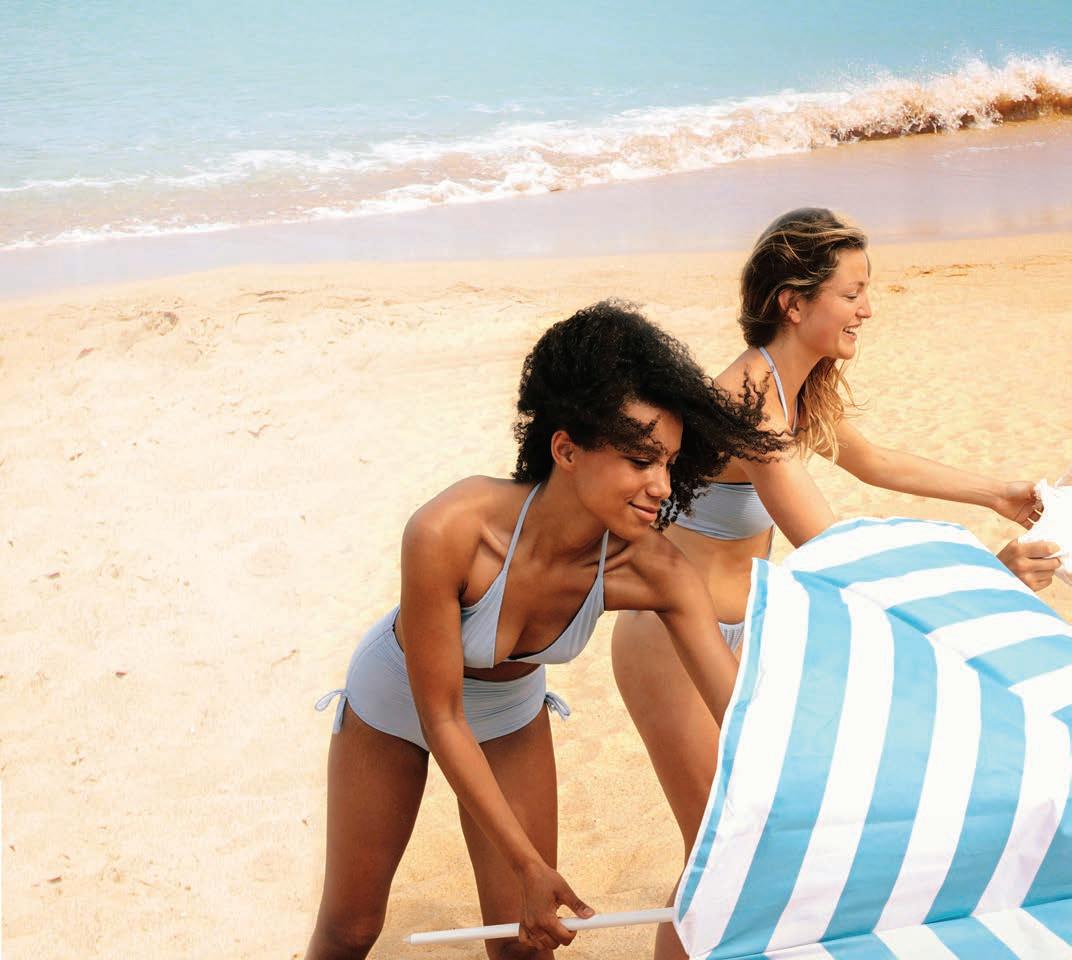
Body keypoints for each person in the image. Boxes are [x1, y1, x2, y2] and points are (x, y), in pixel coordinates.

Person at [610, 208, 1061, 960]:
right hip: (670, 644)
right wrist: (988, 573)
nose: (867, 309)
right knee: (719, 859)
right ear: (794, 301)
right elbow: (827, 548)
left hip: (747, 638)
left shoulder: (795, 388)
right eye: (852, 293)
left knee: (747, 854)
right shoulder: (747, 400)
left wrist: (998, 493)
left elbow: (874, 461)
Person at [304, 301, 786, 960]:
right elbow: (442, 716)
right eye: (640, 459)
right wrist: (527, 864)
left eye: (669, 464)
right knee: (351, 928)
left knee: (525, 948)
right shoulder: (450, 530)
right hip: (397, 701)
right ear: (566, 449)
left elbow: (741, 714)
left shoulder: (653, 570)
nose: (659, 486)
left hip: (507, 712)